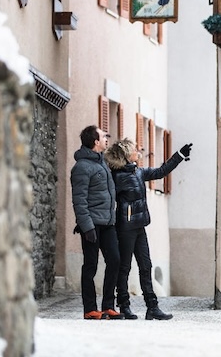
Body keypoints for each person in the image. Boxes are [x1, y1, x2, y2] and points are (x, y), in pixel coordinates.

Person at [104, 138, 193, 320]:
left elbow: (161, 172)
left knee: (146, 266)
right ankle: (124, 306)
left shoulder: (138, 172)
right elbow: (106, 199)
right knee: (125, 267)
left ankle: (152, 307)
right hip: (125, 228)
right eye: (135, 150)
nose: (138, 151)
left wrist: (180, 155)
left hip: (140, 226)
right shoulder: (116, 177)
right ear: (128, 155)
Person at [70, 125, 125, 320]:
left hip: (107, 223)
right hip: (92, 225)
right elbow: (79, 200)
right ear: (95, 141)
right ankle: (90, 309)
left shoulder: (102, 163)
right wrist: (87, 227)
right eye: (103, 136)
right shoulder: (82, 167)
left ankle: (108, 306)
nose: (106, 138)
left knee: (115, 260)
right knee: (91, 265)